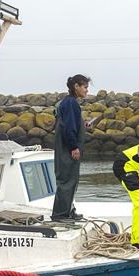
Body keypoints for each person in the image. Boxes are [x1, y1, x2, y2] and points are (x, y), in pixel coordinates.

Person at [51, 74, 91, 221]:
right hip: (67, 149)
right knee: (66, 180)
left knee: (71, 180)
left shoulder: (68, 102)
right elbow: (68, 128)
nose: (86, 90)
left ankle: (69, 210)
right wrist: (74, 147)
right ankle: (60, 214)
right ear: (76, 86)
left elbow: (70, 123)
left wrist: (83, 124)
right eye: (85, 87)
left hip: (66, 147)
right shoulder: (70, 103)